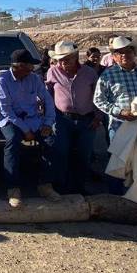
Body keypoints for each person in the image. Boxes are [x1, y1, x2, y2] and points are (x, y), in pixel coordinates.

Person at [94, 36, 137, 195]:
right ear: (114, 56)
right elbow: (99, 100)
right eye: (120, 52)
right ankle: (116, 198)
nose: (124, 55)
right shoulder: (107, 75)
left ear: (134, 53)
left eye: (128, 51)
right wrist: (120, 111)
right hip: (119, 126)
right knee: (118, 162)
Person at [0, 49, 57, 207]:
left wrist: (48, 123)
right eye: (30, 66)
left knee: (51, 141)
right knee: (12, 141)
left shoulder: (34, 79)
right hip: (12, 120)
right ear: (19, 66)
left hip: (33, 119)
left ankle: (45, 184)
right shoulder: (2, 81)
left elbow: (48, 100)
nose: (32, 69)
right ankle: (13, 188)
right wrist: (25, 130)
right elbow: (6, 111)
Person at [44, 41, 101, 195]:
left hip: (87, 119)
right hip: (62, 119)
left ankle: (79, 188)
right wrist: (49, 117)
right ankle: (60, 187)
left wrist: (98, 117)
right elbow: (48, 95)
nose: (63, 63)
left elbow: (98, 96)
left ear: (75, 56)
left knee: (83, 155)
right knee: (60, 153)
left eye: (66, 59)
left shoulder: (89, 73)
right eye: (60, 59)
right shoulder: (52, 72)